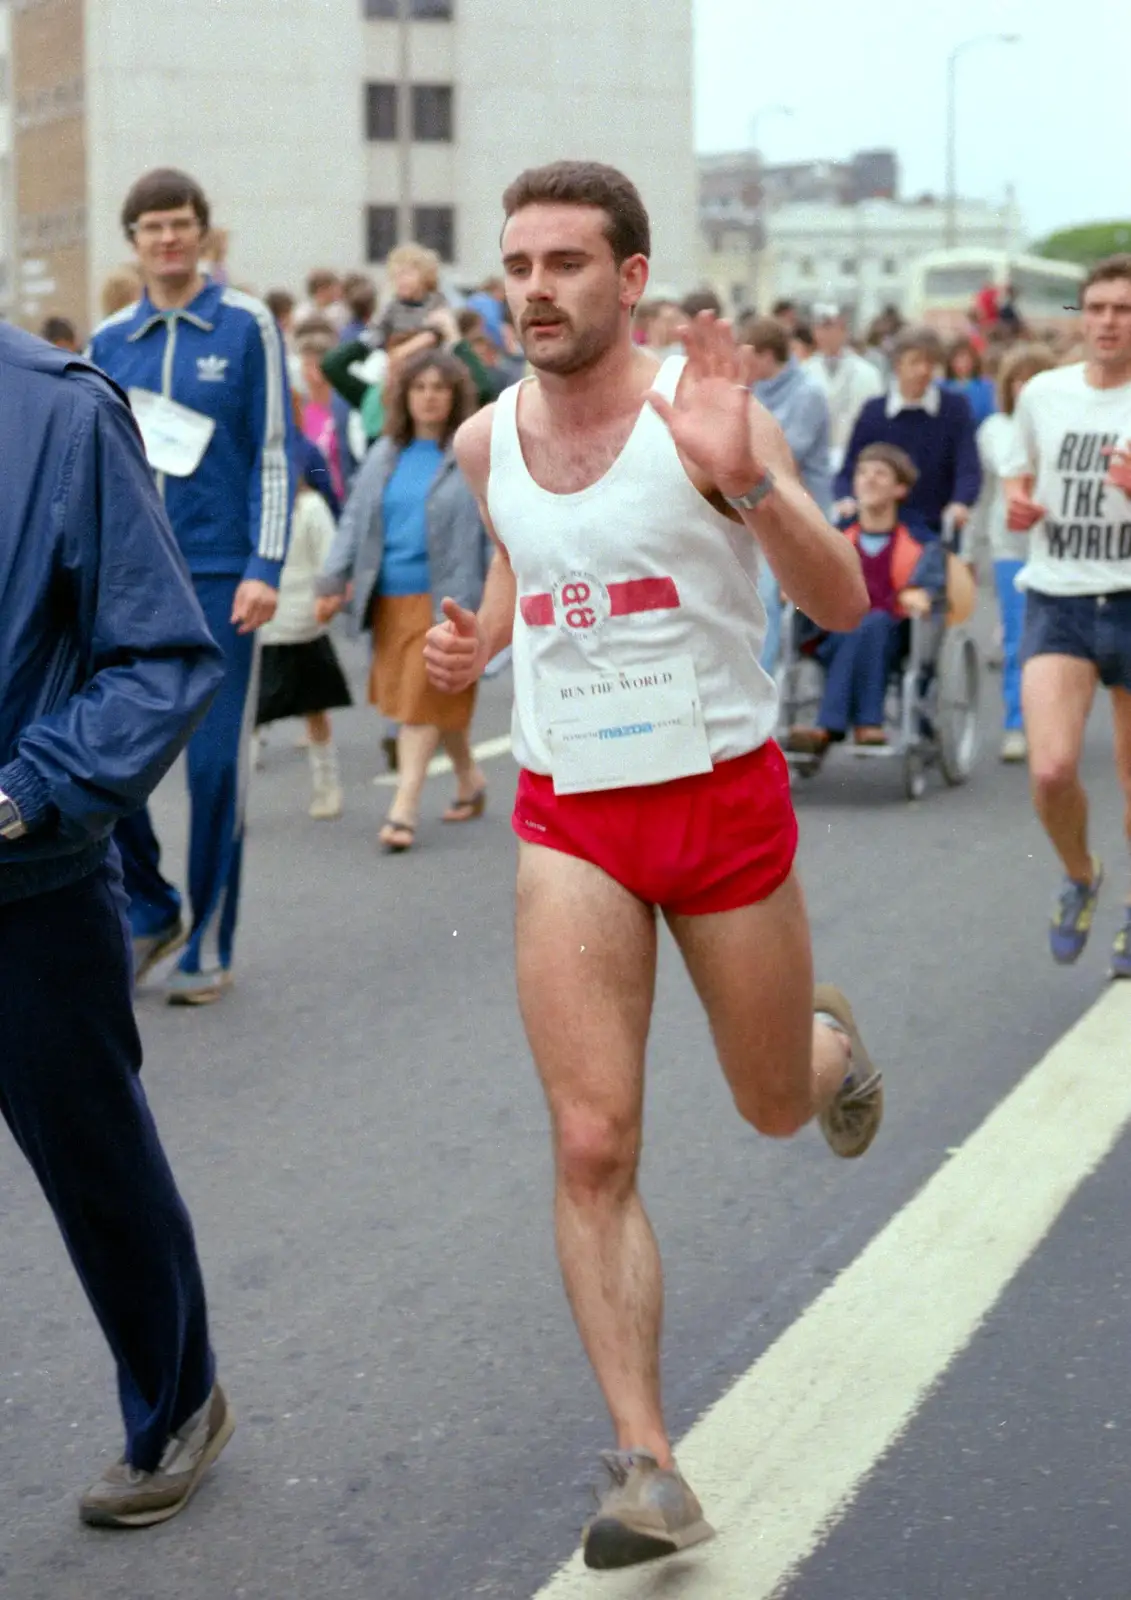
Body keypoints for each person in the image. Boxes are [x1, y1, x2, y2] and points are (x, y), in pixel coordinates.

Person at [422, 159, 882, 1570]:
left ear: (627, 280)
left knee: (760, 1105)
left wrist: (750, 486)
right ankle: (645, 1463)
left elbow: (839, 598)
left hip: (719, 796)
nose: (535, 289)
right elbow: (523, 567)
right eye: (516, 265)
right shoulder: (484, 443)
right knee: (589, 1138)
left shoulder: (704, 419)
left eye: (565, 263)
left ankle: (821, 1052)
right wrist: (476, 645)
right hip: (572, 814)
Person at [0, 320, 233, 1528]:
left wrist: (27, 790)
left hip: (23, 892)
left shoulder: (63, 413)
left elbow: (159, 655)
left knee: (97, 1170)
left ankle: (178, 1400)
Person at [88, 167, 296, 1005]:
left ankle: (210, 938)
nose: (167, 239)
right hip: (134, 582)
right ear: (132, 241)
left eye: (180, 224)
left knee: (214, 773)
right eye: (152, 228)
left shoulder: (246, 326)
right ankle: (153, 905)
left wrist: (265, 566)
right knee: (106, 762)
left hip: (220, 577)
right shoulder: (109, 342)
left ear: (203, 233)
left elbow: (274, 453)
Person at [1002, 254, 1131, 974]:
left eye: (1123, 309)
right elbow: (1017, 475)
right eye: (1098, 307)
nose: (1109, 321)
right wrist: (1020, 503)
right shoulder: (1045, 395)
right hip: (1059, 595)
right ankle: (1080, 875)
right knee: (1050, 769)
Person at [316, 348, 491, 853]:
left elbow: (493, 531)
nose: (430, 397)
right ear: (405, 396)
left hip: (447, 601)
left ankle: (404, 808)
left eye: (441, 387)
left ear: (456, 396)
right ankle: (469, 779)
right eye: (420, 388)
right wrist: (332, 582)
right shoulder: (383, 454)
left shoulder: (471, 454)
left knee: (419, 703)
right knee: (435, 698)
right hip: (389, 598)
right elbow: (354, 521)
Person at [787, 444, 945, 754]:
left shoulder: (920, 544)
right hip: (833, 631)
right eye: (862, 473)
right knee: (857, 623)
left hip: (894, 635)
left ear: (900, 489)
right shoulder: (835, 538)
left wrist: (920, 593)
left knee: (873, 622)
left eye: (880, 474)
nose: (868, 480)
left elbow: (928, 587)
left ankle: (828, 725)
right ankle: (865, 723)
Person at [967, 342, 1056, 762]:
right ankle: (1016, 723)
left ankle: (1052, 719)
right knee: (1018, 636)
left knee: (1054, 643)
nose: (1024, 388)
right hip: (1009, 545)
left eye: (1033, 379)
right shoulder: (993, 429)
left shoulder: (1062, 424)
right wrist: (969, 548)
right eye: (1017, 380)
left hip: (1057, 546)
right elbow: (984, 494)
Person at [256, 469, 351, 819]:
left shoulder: (309, 506)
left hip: (302, 624)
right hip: (262, 625)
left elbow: (329, 556)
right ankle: (236, 800)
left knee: (314, 710)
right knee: (251, 714)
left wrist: (328, 598)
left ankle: (328, 787)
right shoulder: (254, 505)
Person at [740, 315, 833, 671]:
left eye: (746, 355)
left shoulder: (807, 393)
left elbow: (785, 455)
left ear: (765, 355)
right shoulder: (752, 389)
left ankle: (763, 679)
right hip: (755, 510)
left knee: (765, 596)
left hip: (799, 513)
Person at [835, 325, 981, 545]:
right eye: (915, 362)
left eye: (930, 363)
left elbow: (968, 465)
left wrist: (961, 502)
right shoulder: (874, 411)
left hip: (934, 525)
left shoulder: (955, 408)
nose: (923, 370)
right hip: (879, 523)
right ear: (897, 365)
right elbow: (850, 466)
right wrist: (846, 498)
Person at [803, 303, 884, 473]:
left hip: (857, 458)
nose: (827, 335)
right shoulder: (803, 373)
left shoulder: (868, 373)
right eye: (821, 328)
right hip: (814, 462)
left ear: (844, 331)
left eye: (833, 328)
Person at [374, 243, 448, 346]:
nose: (401, 281)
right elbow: (377, 333)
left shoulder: (436, 302)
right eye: (396, 276)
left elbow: (441, 335)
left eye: (406, 274)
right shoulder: (392, 307)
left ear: (424, 275)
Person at [944, 336, 996, 427]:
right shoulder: (941, 386)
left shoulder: (986, 387)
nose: (963, 363)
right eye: (959, 358)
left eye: (967, 358)